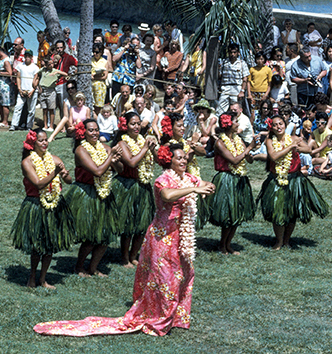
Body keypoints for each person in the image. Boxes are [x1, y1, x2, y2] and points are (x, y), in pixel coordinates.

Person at [35, 143, 215, 337]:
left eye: (184, 158)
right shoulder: (163, 179)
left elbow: (204, 184)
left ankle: (176, 317)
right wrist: (193, 190)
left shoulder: (186, 178)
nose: (183, 161)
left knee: (184, 275)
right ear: (168, 161)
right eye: (178, 158)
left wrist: (205, 186)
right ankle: (159, 319)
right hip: (163, 238)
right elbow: (167, 195)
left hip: (181, 237)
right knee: (165, 279)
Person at [13, 129, 75, 288]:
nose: (45, 143)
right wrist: (55, 173)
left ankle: (43, 278)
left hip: (54, 204)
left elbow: (68, 181)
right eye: (40, 140)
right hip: (36, 205)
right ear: (32, 144)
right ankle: (32, 276)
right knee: (37, 244)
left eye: (46, 140)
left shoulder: (54, 159)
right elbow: (38, 183)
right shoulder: (27, 162)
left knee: (50, 244)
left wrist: (64, 174)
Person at [259, 116, 328, 250]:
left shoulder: (295, 138)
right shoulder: (269, 141)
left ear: (285, 125)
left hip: (294, 179)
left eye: (281, 124)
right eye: (275, 125)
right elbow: (273, 156)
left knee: (292, 212)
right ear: (271, 128)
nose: (279, 127)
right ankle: (278, 241)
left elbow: (308, 149)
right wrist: (290, 147)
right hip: (277, 179)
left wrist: (297, 148)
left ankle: (286, 240)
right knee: (278, 211)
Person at [70, 119, 120, 276]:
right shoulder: (80, 150)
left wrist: (116, 161)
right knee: (91, 235)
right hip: (87, 193)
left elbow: (119, 169)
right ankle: (79, 266)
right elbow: (97, 171)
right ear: (83, 133)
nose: (95, 133)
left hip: (104, 192)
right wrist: (110, 157)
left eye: (97, 130)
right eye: (91, 130)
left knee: (105, 233)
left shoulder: (105, 148)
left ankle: (93, 267)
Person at [210, 113, 259, 254]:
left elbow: (248, 160)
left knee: (236, 214)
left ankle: (228, 244)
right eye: (236, 122)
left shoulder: (238, 139)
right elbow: (234, 160)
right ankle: (222, 245)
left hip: (239, 178)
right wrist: (249, 148)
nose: (238, 124)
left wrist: (250, 154)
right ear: (229, 125)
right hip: (226, 179)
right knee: (228, 215)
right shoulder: (220, 142)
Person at [115, 111, 157, 267]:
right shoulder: (122, 143)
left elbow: (158, 160)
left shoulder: (143, 141)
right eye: (133, 124)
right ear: (126, 126)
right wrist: (145, 148)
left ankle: (134, 255)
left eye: (138, 123)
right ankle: (124, 257)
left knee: (142, 223)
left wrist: (152, 149)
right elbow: (132, 162)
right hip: (128, 186)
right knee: (128, 223)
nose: (137, 126)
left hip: (143, 185)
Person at [10, 51, 39, 131]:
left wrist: (32, 91)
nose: (27, 57)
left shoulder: (35, 67)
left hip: (32, 91)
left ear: (31, 57)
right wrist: (19, 89)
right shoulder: (20, 66)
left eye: (29, 56)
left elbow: (36, 79)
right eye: (26, 55)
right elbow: (18, 77)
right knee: (18, 107)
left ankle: (29, 126)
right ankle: (14, 125)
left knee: (31, 110)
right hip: (22, 90)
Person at [218, 44, 250, 115]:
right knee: (220, 109)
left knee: (236, 109)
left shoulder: (242, 63)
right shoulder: (224, 62)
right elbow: (220, 75)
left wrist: (242, 91)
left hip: (236, 88)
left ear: (238, 52)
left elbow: (245, 78)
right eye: (231, 52)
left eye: (234, 52)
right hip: (225, 87)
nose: (232, 54)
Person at [0, 46, 15, 128]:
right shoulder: (0, 60)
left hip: (5, 84)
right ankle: (2, 119)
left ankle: (5, 121)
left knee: (5, 103)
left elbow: (9, 73)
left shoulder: (6, 60)